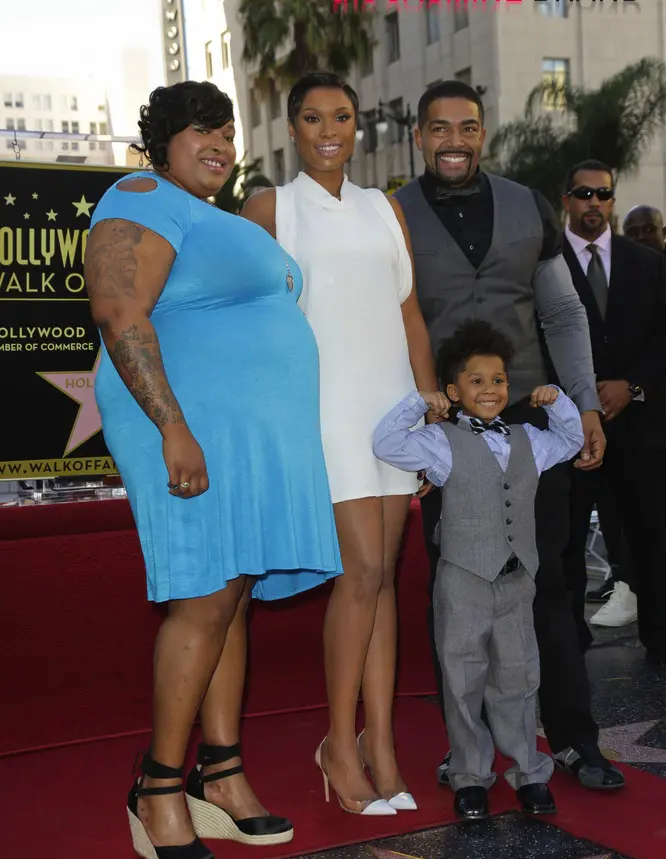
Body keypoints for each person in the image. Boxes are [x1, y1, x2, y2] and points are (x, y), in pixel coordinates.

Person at [84, 81, 342, 859]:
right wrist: (173, 428)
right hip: (184, 428)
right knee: (203, 599)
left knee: (231, 598)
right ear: (161, 141)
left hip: (244, 438)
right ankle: (157, 786)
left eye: (228, 132)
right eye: (202, 130)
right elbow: (118, 312)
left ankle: (220, 773)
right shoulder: (141, 195)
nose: (221, 145)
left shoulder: (215, 217)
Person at [395, 80, 625, 792]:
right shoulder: (392, 214)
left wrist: (584, 404)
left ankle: (574, 738)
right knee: (456, 591)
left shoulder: (528, 205)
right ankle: (467, 752)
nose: (454, 141)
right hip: (447, 430)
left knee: (549, 581)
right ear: (418, 136)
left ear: (483, 134)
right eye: (439, 128)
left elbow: (562, 313)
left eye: (467, 127)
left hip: (528, 417)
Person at [242, 71, 441, 815]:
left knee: (384, 577)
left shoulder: (383, 207)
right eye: (313, 117)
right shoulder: (272, 208)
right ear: (292, 128)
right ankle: (337, 743)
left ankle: (380, 745)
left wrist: (428, 410)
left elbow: (410, 315)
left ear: (358, 126)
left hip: (392, 407)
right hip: (324, 410)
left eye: (343, 116)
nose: (330, 130)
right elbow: (249, 320)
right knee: (360, 573)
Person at [373, 320, 584, 819]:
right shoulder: (440, 441)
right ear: (454, 392)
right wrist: (418, 403)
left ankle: (529, 772)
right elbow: (386, 444)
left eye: (499, 380)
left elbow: (572, 440)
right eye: (477, 380)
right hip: (463, 579)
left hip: (516, 580)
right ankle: (469, 775)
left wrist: (557, 402)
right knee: (462, 677)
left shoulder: (530, 438)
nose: (490, 389)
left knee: (518, 676)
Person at [560, 160, 666, 665]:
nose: (594, 203)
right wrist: (579, 398)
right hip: (568, 429)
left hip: (640, 429)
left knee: (652, 537)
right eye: (584, 194)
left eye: (603, 194)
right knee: (566, 542)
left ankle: (660, 639)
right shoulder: (545, 262)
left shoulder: (647, 263)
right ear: (566, 200)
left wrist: (632, 386)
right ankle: (566, 646)